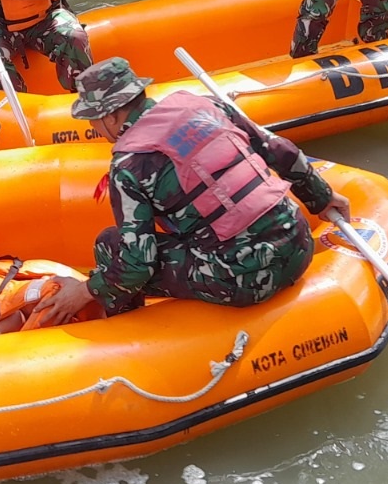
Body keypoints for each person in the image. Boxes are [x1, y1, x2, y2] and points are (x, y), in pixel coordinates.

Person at [35, 57, 352, 323]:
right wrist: (322, 197)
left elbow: (138, 263)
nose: (93, 127)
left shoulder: (129, 165)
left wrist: (87, 290)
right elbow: (279, 149)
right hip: (298, 245)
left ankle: (128, 334)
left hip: (249, 278)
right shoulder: (206, 105)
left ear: (111, 115)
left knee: (110, 244)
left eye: (92, 119)